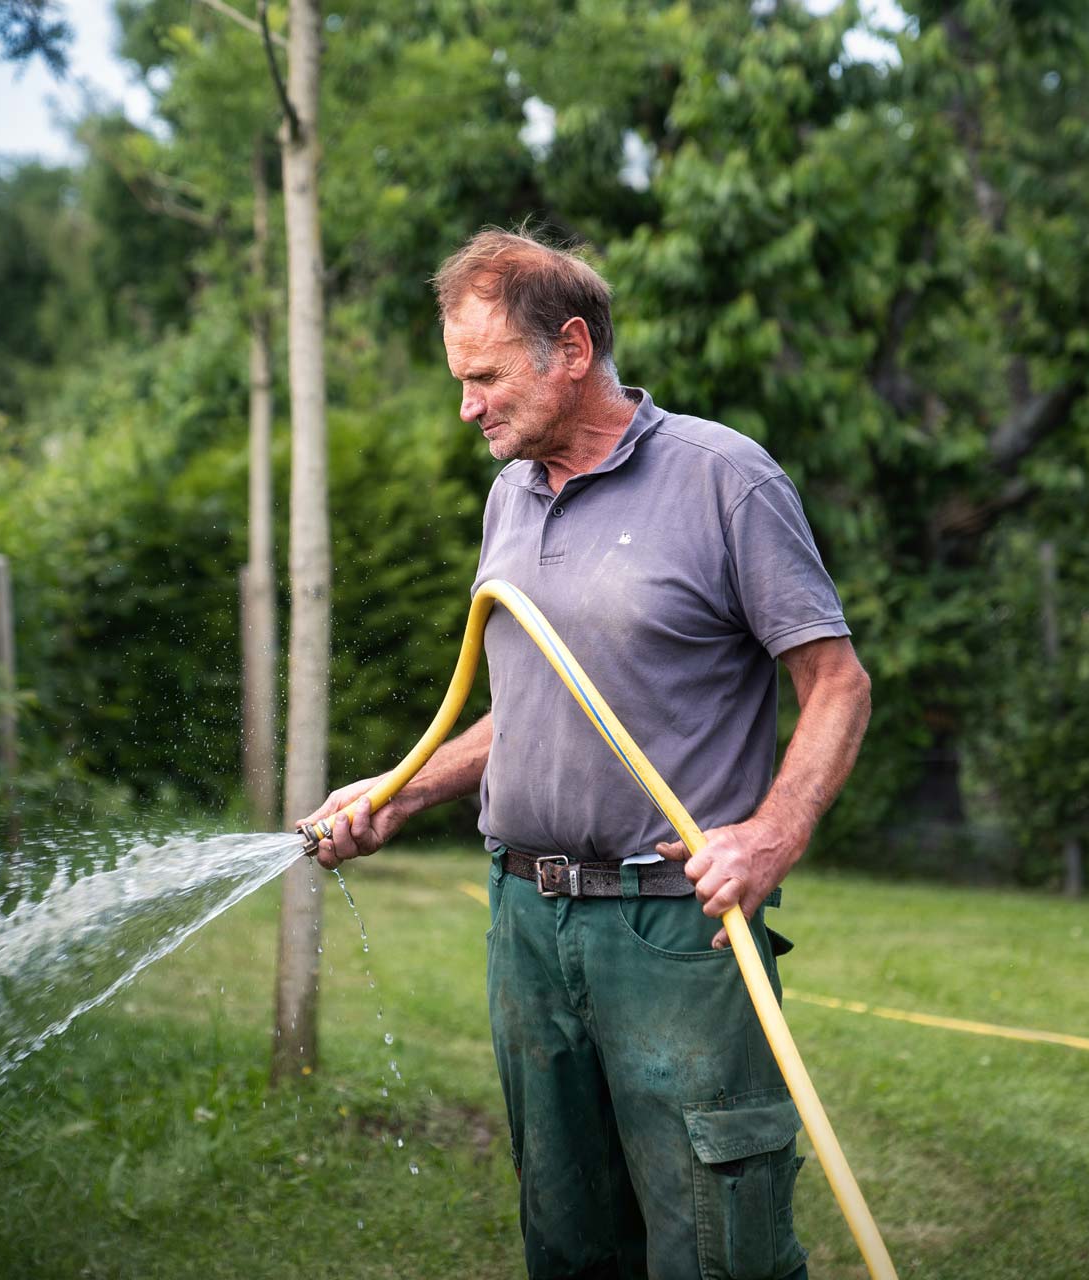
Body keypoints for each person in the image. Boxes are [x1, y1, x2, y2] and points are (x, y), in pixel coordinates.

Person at [300, 229, 872, 1280]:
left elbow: (837, 681)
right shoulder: (510, 495)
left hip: (672, 927)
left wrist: (773, 833)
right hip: (525, 920)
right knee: (567, 1239)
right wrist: (401, 792)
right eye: (459, 380)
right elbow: (535, 703)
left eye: (484, 377)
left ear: (570, 347)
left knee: (718, 1244)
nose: (466, 405)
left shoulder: (722, 480)